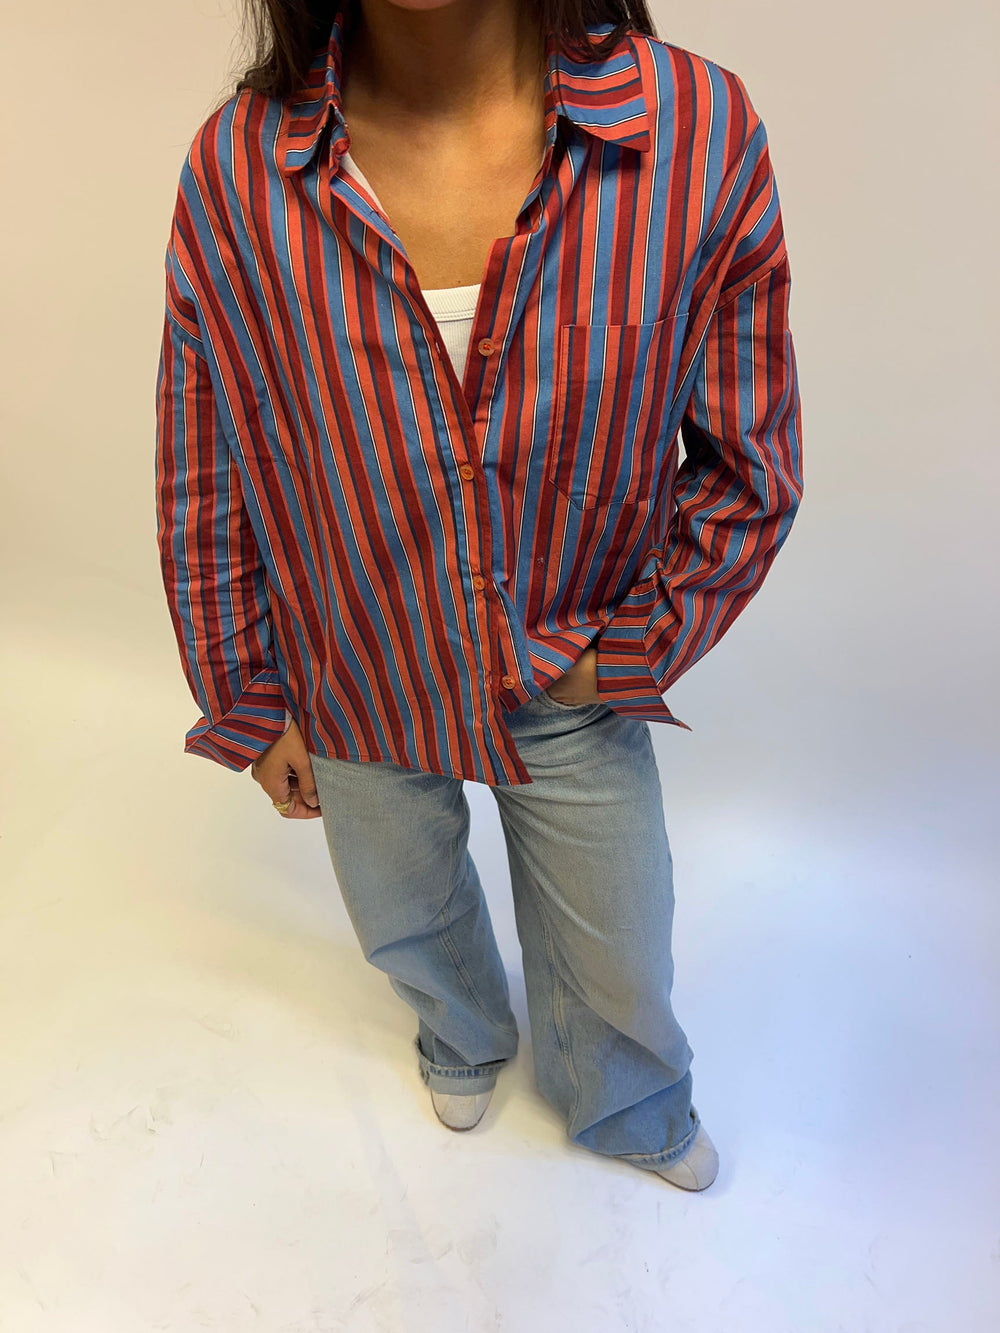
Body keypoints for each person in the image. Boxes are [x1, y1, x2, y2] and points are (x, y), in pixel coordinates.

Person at [155, 0, 802, 1192]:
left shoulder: (689, 130)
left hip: (568, 668)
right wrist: (248, 694)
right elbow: (206, 460)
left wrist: (632, 649)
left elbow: (747, 456)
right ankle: (460, 1029)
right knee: (399, 906)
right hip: (355, 665)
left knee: (619, 939)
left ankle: (627, 1094)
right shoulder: (239, 171)